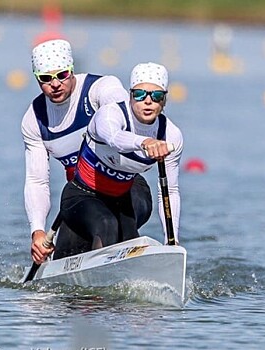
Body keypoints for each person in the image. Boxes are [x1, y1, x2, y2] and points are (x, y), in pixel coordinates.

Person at [21, 39, 153, 264]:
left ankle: (125, 277)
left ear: (72, 70)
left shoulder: (101, 89)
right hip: (81, 197)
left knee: (113, 223)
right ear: (36, 78)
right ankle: (93, 295)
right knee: (99, 227)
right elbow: (37, 181)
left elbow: (124, 115)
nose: (55, 84)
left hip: (127, 187)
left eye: (62, 75)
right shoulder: (34, 120)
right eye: (45, 78)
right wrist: (38, 232)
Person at [58, 62, 183, 253]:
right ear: (130, 95)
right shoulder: (110, 114)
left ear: (164, 100)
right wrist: (145, 142)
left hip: (125, 194)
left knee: (128, 230)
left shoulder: (171, 135)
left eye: (156, 96)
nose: (148, 101)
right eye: (140, 94)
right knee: (107, 224)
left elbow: (170, 191)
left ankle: (126, 260)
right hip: (82, 194)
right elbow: (114, 138)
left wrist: (171, 241)